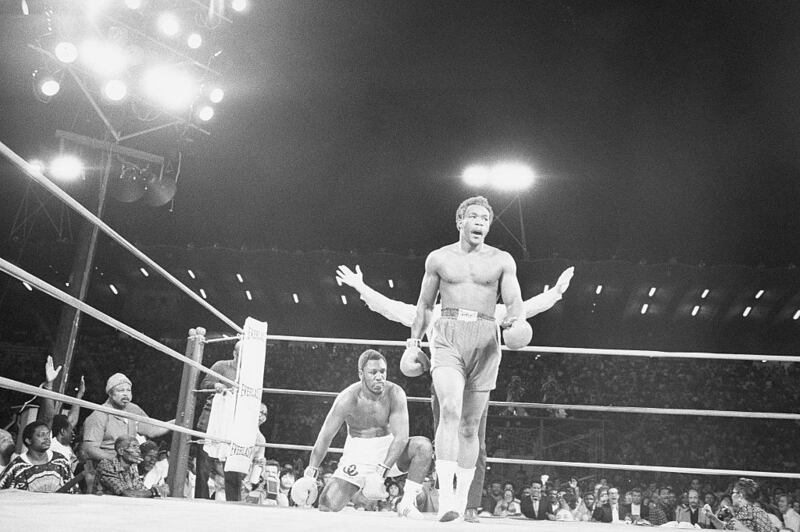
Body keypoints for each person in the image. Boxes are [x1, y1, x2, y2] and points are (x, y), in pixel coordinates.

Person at [335, 261, 573, 523]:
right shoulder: (433, 312)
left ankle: (469, 506)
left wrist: (556, 292)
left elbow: (524, 309)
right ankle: (446, 499)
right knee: (445, 441)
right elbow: (391, 308)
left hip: (477, 382)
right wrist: (361, 287)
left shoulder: (489, 311)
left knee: (476, 441)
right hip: (444, 383)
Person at [289, 349, 433, 520]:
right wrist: (310, 473)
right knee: (327, 505)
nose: (379, 377)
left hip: (389, 450)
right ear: (361, 374)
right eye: (373, 372)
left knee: (423, 447)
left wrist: (380, 472)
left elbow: (401, 437)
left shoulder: (395, 393)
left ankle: (407, 503)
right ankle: (359, 495)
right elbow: (325, 437)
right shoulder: (347, 399)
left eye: (383, 371)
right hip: (358, 454)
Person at [82, 373, 172, 464]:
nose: (125, 394)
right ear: (110, 393)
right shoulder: (99, 415)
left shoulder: (133, 409)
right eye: (121, 390)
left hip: (129, 467)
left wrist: (175, 422)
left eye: (128, 390)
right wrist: (119, 460)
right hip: (106, 467)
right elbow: (89, 450)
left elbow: (152, 429)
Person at [195, 341, 241, 499]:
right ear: (234, 353)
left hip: (233, 422)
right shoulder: (221, 366)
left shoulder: (249, 374)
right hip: (211, 419)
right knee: (204, 466)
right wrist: (216, 385)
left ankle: (234, 502)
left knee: (233, 466)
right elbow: (204, 383)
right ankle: (201, 500)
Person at [0, 421, 75, 492]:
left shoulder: (60, 461)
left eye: (48, 434)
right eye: (41, 435)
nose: (47, 438)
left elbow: (73, 489)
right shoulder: (16, 467)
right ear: (28, 440)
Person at [96, 435, 168, 498]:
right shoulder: (107, 465)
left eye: (138, 447)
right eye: (134, 447)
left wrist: (159, 489)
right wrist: (154, 491)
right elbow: (127, 493)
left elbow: (140, 489)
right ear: (121, 451)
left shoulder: (132, 468)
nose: (138, 451)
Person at [704, 478, 774, 532]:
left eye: (733, 492)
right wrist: (712, 517)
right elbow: (726, 528)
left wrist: (741, 528)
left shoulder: (757, 513)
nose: (731, 495)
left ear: (740, 495)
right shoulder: (740, 513)